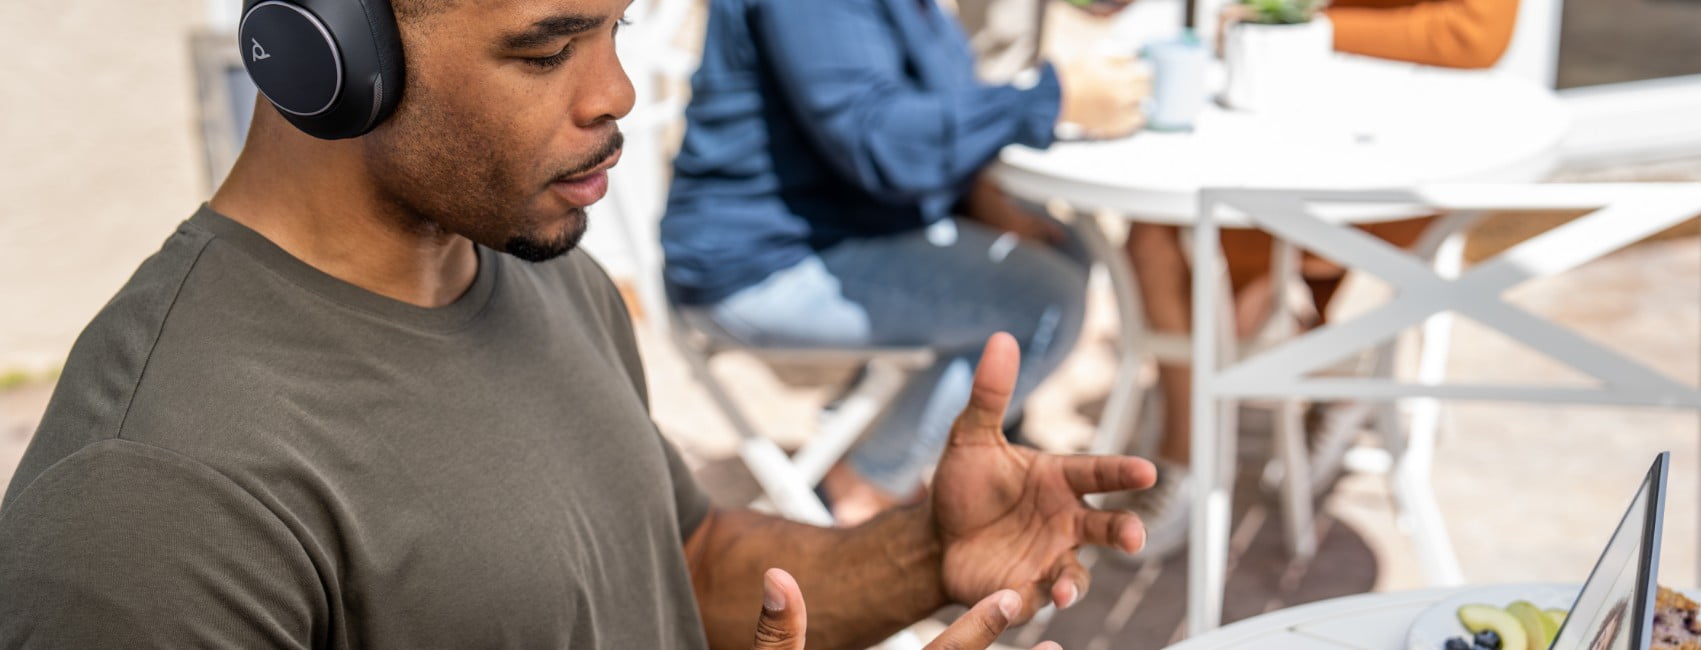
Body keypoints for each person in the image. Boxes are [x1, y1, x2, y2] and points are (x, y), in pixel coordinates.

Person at [0, 0, 1158, 647]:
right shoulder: (154, 488)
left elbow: (683, 561)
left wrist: (922, 554)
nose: (615, 93)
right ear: (326, 48)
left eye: (617, 28)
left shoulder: (533, 264)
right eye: (547, 47)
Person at [662, 0, 1149, 525]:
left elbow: (939, 92)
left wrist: (984, 192)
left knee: (1060, 247)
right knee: (1047, 301)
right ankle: (865, 490)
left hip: (845, 225)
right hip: (761, 265)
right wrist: (1053, 100)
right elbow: (880, 141)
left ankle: (924, 454)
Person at [1121, 0, 1522, 556]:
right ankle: (1220, 424)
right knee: (1156, 233)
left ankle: (1287, 391)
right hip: (1286, 120)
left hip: (1401, 147)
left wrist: (1303, 27)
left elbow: (1475, 34)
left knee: (1232, 267)